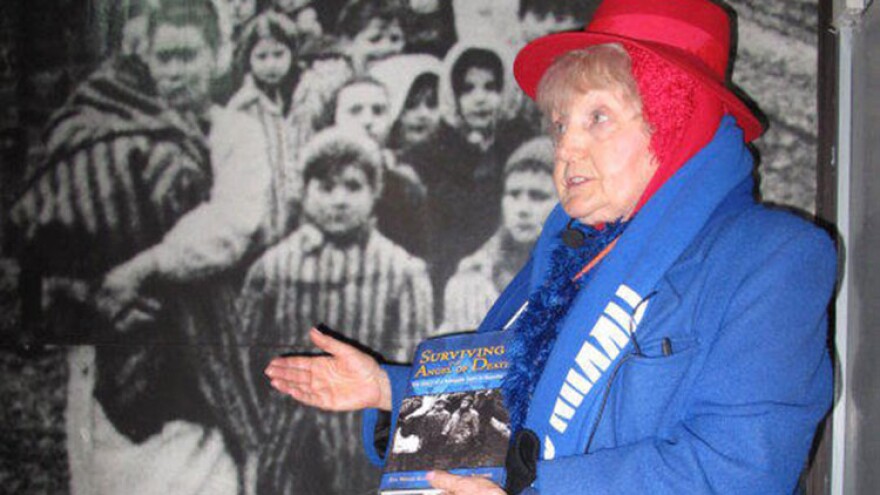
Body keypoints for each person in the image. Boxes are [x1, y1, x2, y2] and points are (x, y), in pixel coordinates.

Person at [264, 1, 836, 494]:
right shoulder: (572, 254)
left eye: (597, 118)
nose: (565, 150)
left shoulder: (773, 260)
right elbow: (515, 401)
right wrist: (387, 389)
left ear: (675, 121)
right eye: (560, 124)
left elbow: (736, 474)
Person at [10, 0, 270, 493]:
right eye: (164, 57)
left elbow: (230, 224)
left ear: (216, 58)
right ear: (144, 60)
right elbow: (66, 227)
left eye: (188, 56)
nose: (176, 72)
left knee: (201, 470)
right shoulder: (111, 137)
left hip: (199, 346)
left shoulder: (234, 131)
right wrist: (90, 294)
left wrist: (142, 269)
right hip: (115, 340)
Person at [238, 127, 433, 494]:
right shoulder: (272, 270)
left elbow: (414, 366)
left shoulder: (402, 272)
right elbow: (245, 358)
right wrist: (261, 430)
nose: (339, 200)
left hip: (363, 446)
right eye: (326, 188)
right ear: (305, 192)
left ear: (374, 191)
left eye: (352, 186)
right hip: (285, 443)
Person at [403, 41, 534, 314]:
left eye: (490, 87)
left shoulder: (521, 142)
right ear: (452, 93)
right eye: (467, 88)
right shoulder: (430, 152)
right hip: (448, 271)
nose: (480, 98)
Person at [441, 137, 556, 332]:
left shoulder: (583, 276)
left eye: (537, 196)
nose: (522, 209)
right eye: (513, 194)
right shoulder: (471, 281)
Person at [228, 10, 304, 241]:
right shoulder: (243, 105)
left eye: (279, 54)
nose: (271, 65)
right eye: (261, 57)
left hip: (291, 197)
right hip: (258, 200)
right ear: (247, 60)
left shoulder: (299, 97)